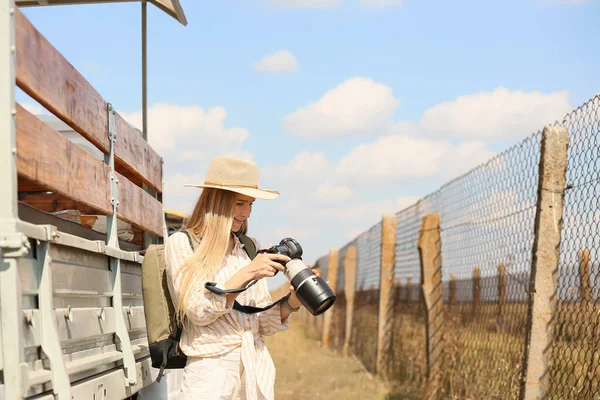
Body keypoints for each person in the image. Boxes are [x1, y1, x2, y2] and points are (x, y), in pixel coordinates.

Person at [164, 156, 316, 400]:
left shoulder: (249, 247)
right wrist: (248, 273)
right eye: (239, 203)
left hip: (252, 370)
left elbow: (261, 324)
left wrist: (294, 300)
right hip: (210, 375)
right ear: (216, 201)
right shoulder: (182, 244)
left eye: (251, 204)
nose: (246, 213)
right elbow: (196, 311)